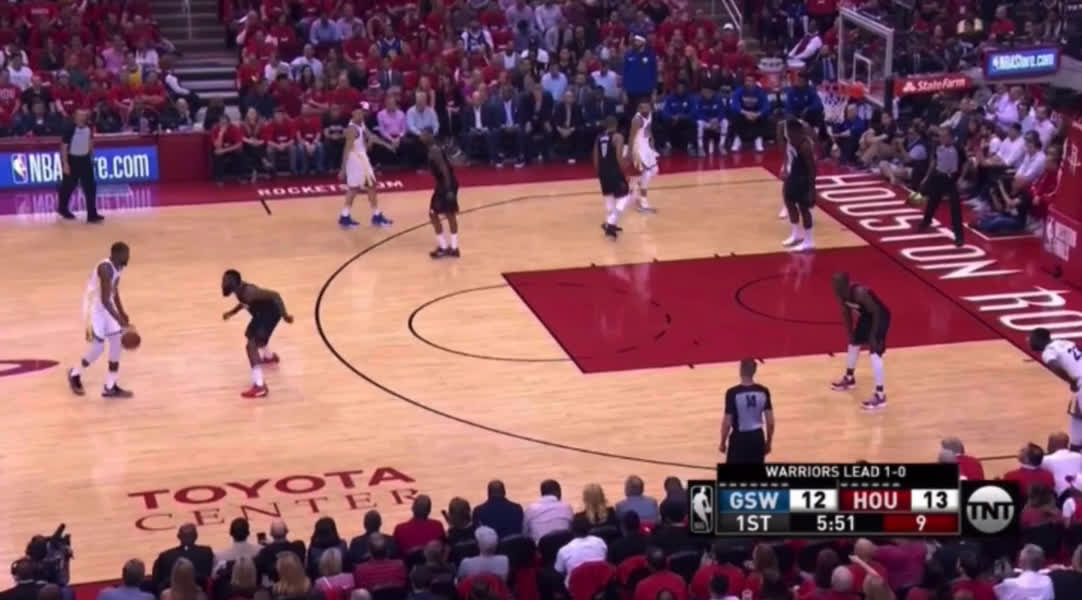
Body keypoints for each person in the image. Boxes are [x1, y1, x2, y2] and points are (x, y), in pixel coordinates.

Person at [68, 242, 134, 398]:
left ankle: (110, 386)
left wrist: (122, 312)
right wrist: (120, 320)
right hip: (93, 309)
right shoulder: (105, 269)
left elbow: (114, 291)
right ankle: (75, 374)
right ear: (116, 254)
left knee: (116, 343)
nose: (128, 257)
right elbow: (104, 300)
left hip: (106, 306)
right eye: (125, 254)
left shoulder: (119, 267)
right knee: (98, 348)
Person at [221, 269, 294, 398]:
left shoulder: (249, 292)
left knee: (251, 346)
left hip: (270, 314)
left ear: (233, 282)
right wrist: (231, 313)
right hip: (261, 315)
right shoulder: (239, 291)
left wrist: (285, 315)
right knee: (250, 335)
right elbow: (243, 303)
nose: (222, 284)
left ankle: (260, 386)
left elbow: (275, 295)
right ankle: (269, 357)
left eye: (225, 281)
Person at [830, 271, 890, 409]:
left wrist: (874, 336)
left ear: (845, 284)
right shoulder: (841, 294)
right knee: (853, 342)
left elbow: (876, 311)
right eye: (833, 285)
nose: (835, 288)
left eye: (837, 285)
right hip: (867, 317)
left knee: (874, 351)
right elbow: (846, 313)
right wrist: (850, 333)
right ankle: (849, 378)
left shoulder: (859, 293)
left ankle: (880, 396)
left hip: (880, 316)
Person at [339, 102, 393, 228]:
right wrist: (343, 169)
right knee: (366, 186)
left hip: (361, 158)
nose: (362, 114)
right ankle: (375, 216)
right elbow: (346, 149)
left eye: (363, 112)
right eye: (359, 112)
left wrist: (387, 144)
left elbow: (371, 136)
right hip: (356, 160)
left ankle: (345, 216)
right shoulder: (352, 129)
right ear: (353, 113)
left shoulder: (361, 124)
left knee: (359, 187)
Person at [1029, 327, 1082, 450]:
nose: (1029, 342)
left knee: (1077, 413)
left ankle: (1075, 449)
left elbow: (1055, 366)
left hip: (1080, 381)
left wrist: (1071, 381)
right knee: (1075, 413)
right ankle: (1074, 449)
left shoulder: (1048, 351)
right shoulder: (1065, 342)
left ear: (1039, 339)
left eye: (1031, 339)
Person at [917, 127, 965, 247]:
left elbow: (966, 163)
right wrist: (926, 177)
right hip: (938, 177)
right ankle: (926, 221)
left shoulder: (958, 148)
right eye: (940, 136)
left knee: (955, 208)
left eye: (944, 136)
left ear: (950, 137)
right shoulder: (937, 146)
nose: (942, 139)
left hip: (952, 180)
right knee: (932, 202)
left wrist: (961, 178)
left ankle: (959, 236)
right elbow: (934, 162)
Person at [720, 358, 774, 463]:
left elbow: (727, 423)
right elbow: (770, 422)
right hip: (757, 437)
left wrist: (722, 442)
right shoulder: (763, 391)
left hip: (739, 439)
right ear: (754, 371)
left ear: (740, 370)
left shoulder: (732, 393)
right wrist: (768, 442)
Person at [57, 107, 102, 223]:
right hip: (72, 160)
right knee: (68, 186)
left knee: (90, 187)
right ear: (75, 117)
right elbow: (64, 147)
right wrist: (65, 164)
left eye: (84, 115)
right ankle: (62, 208)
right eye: (79, 115)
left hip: (85, 159)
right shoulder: (70, 128)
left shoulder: (89, 127)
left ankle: (92, 215)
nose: (82, 118)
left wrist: (92, 157)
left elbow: (90, 142)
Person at [422, 127, 461, 259]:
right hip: (445, 184)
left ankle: (445, 247)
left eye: (423, 134)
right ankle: (453, 248)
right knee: (449, 214)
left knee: (434, 214)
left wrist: (448, 189)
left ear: (430, 136)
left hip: (445, 185)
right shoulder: (433, 149)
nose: (421, 137)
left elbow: (445, 169)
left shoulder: (434, 150)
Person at [781, 118, 816, 252]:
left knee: (804, 209)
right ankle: (795, 234)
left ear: (796, 131)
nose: (787, 134)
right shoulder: (791, 141)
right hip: (794, 176)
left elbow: (812, 168)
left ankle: (809, 241)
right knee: (789, 201)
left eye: (789, 132)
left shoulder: (805, 146)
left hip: (804, 179)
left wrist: (812, 188)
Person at [594, 115, 632, 239]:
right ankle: (610, 223)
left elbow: (595, 158)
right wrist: (625, 173)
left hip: (603, 172)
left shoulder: (599, 138)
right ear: (616, 125)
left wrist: (599, 173)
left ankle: (610, 222)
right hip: (614, 171)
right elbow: (619, 158)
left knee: (609, 197)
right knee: (625, 196)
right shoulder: (618, 137)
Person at [628, 100, 659, 214]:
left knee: (655, 170)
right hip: (638, 146)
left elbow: (649, 129)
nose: (644, 110)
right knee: (646, 173)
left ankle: (633, 188)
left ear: (650, 108)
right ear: (639, 109)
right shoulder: (637, 120)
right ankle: (643, 203)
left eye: (647, 107)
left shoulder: (650, 115)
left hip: (646, 144)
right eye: (642, 108)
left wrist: (652, 142)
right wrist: (630, 153)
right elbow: (631, 137)